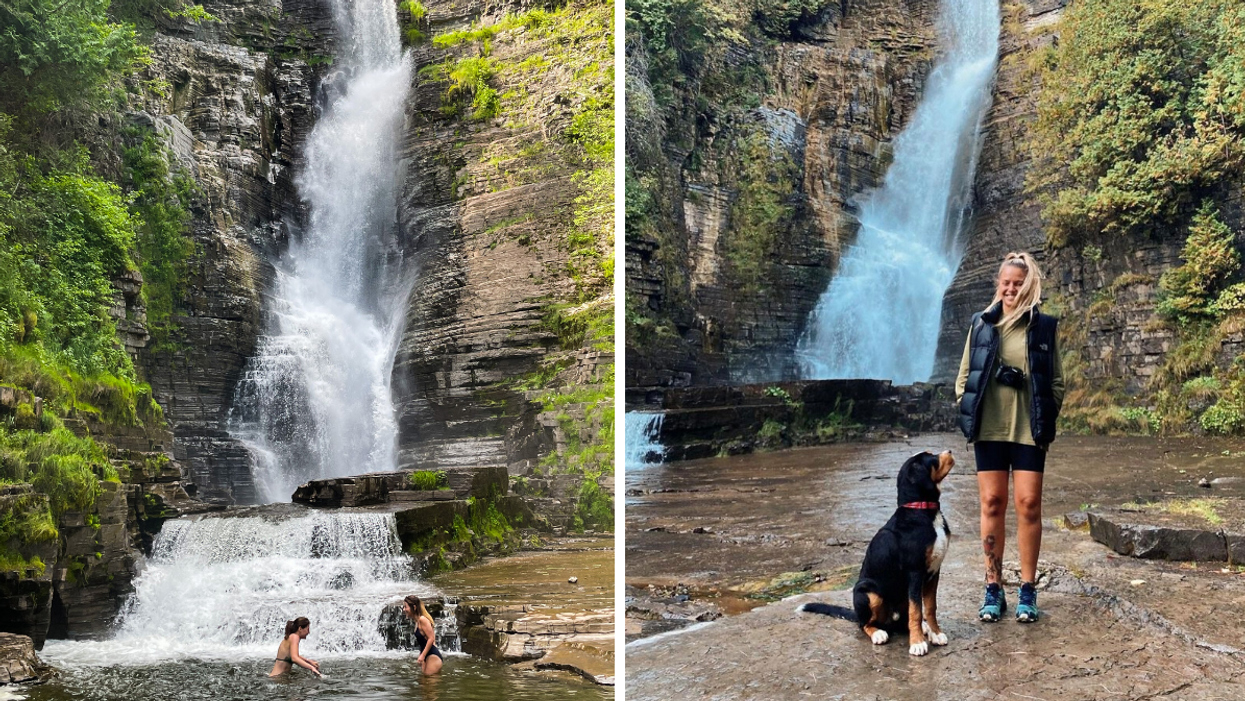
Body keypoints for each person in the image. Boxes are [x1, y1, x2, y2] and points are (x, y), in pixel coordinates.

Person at [955, 251, 1064, 624]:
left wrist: (1047, 413)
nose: (1010, 289)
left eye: (1018, 283)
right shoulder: (981, 324)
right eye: (1005, 282)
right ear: (997, 284)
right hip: (990, 428)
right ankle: (993, 587)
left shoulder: (1044, 327)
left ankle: (1028, 589)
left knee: (1029, 503)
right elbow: (965, 374)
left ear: (1029, 285)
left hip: (1028, 429)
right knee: (992, 504)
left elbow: (1057, 381)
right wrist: (966, 407)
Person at [403, 595, 443, 674]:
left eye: (405, 607)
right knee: (423, 684)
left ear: (414, 607)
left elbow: (431, 638)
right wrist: (422, 656)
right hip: (427, 656)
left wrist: (422, 656)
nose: (404, 609)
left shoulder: (423, 619)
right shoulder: (417, 621)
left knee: (428, 684)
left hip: (432, 656)